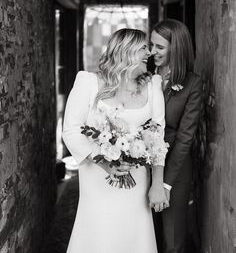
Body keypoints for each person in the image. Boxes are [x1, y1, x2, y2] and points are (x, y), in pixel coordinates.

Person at [62, 28, 169, 253]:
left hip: (137, 182)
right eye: (143, 48)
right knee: (99, 236)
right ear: (126, 52)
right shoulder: (88, 83)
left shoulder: (153, 87)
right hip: (96, 178)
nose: (149, 52)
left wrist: (158, 184)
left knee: (133, 237)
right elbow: (71, 130)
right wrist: (105, 163)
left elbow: (158, 140)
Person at [149, 19, 202, 253]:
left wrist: (165, 184)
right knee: (146, 234)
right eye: (152, 45)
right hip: (141, 165)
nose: (152, 52)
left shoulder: (192, 84)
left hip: (175, 169)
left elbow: (185, 138)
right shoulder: (145, 76)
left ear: (176, 48)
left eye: (159, 47)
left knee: (172, 240)